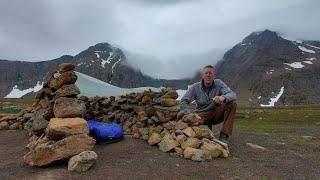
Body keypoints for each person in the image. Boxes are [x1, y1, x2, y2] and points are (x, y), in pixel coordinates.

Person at [180, 65, 237, 144]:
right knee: (192, 129)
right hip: (201, 115)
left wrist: (222, 98)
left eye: (211, 73)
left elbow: (233, 95)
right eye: (206, 73)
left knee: (232, 104)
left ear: (214, 75)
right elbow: (183, 101)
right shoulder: (195, 87)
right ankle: (206, 129)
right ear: (202, 75)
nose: (208, 75)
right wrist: (191, 114)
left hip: (216, 113)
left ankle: (224, 135)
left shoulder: (219, 83)